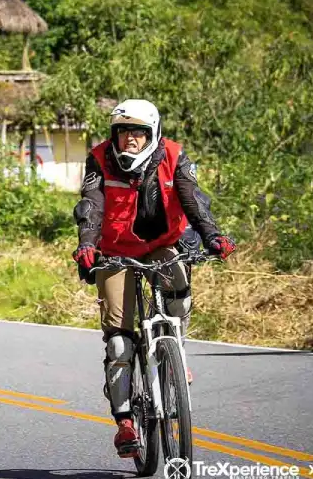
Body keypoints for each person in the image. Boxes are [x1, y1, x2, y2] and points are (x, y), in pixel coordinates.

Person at [72, 99, 236, 458]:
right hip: (114, 250)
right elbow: (91, 205)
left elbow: (193, 200)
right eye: (122, 132)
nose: (129, 139)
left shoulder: (175, 155)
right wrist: (87, 245)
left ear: (153, 133)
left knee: (179, 284)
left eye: (138, 132)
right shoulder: (99, 158)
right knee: (118, 342)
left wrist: (213, 236)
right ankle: (125, 423)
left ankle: (174, 348)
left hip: (162, 243)